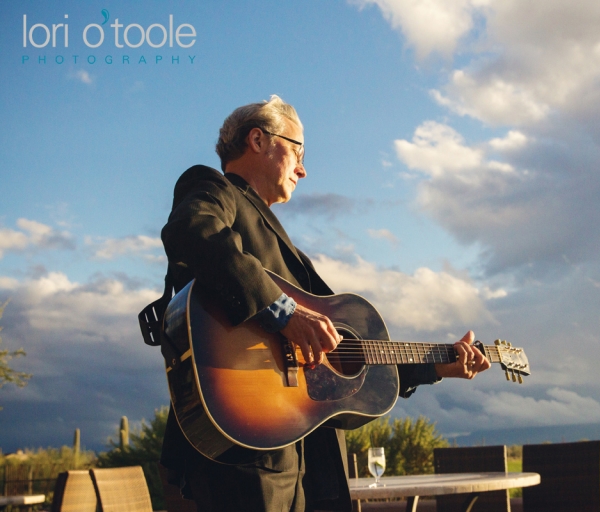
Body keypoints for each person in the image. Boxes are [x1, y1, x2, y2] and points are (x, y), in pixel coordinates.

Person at [159, 95, 491, 512]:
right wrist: (285, 314)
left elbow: (347, 357)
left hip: (304, 465)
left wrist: (437, 366)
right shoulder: (212, 188)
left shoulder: (294, 260)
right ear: (258, 140)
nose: (303, 168)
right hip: (244, 458)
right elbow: (193, 230)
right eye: (298, 150)